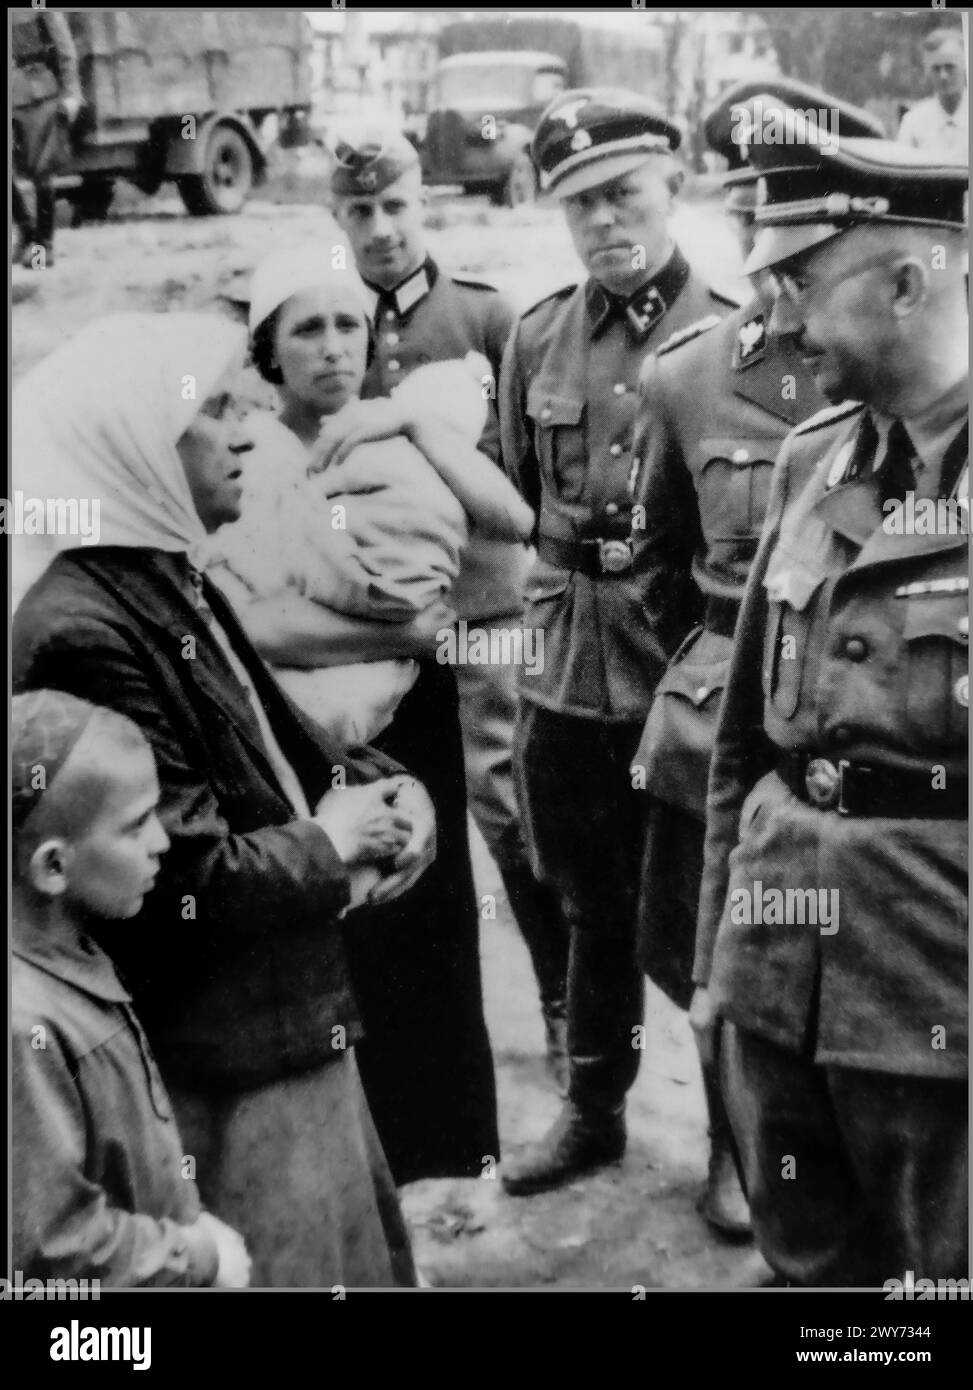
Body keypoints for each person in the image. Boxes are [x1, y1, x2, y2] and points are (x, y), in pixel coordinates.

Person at [12, 313, 430, 1288]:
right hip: (230, 1058)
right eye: (212, 414)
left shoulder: (163, 571)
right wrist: (331, 844)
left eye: (244, 406)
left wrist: (392, 793)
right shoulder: (83, 629)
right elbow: (178, 878)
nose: (247, 432)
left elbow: (284, 747)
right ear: (133, 448)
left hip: (283, 1017)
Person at [692, 115, 969, 1285]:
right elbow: (741, 744)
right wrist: (717, 959)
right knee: (810, 1268)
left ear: (906, 282)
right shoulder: (816, 460)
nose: (780, 325)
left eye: (801, 286)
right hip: (778, 974)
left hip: (938, 1001)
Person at [631, 81, 882, 1238]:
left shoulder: (885, 362)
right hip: (736, 713)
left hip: (881, 737)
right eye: (747, 215)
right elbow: (655, 560)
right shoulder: (685, 374)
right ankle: (739, 1157)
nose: (762, 252)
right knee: (718, 963)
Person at [209, 253, 504, 1185]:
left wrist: (419, 420)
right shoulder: (239, 456)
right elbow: (246, 627)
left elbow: (511, 527)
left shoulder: (401, 435)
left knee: (428, 922)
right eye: (307, 328)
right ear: (267, 351)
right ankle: (354, 1170)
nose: (334, 347)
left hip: (412, 723)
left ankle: (446, 1158)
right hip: (289, 732)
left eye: (349, 325)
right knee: (330, 931)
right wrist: (408, 630)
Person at [497, 87, 738, 1196]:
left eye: (623, 193)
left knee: (701, 925)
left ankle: (738, 1150)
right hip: (566, 676)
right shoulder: (538, 333)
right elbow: (516, 492)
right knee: (591, 910)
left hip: (682, 688)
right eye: (578, 203)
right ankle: (594, 1113)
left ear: (672, 187)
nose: (602, 221)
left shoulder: (745, 341)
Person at [330, 129, 572, 1088]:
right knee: (384, 817)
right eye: (360, 212)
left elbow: (527, 474)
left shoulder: (483, 316)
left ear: (424, 202)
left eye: (395, 206)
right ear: (337, 219)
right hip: (370, 626)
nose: (381, 229)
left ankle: (562, 1008)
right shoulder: (326, 319)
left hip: (482, 613)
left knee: (511, 813)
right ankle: (406, 1032)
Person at [12, 688, 250, 1289]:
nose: (162, 843)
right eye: (136, 825)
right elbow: (52, 1248)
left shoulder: (71, 951)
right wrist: (196, 1258)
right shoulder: (24, 1027)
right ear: (53, 867)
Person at [11, 8, 82, 269]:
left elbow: (65, 48)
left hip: (37, 93)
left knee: (42, 171)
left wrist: (72, 93)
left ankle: (44, 247)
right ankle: (27, 232)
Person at [897, 28, 968, 164]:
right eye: (936, 68)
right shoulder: (913, 121)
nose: (943, 76)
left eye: (950, 67)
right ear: (927, 71)